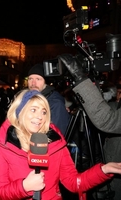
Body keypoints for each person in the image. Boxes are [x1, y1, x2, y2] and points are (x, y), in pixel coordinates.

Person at [0, 89, 121, 200]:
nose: (40, 116)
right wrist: (24, 186)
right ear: (20, 111)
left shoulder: (56, 143)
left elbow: (74, 182)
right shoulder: (3, 146)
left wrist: (104, 170)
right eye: (33, 110)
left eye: (44, 112)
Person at [58, 53, 121, 200]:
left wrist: (80, 77)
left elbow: (107, 120)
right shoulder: (115, 104)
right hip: (111, 170)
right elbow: (109, 109)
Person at [27, 64, 70, 135]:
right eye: (30, 79)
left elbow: (57, 135)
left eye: (38, 79)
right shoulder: (24, 99)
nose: (33, 83)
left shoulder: (55, 103)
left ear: (45, 82)